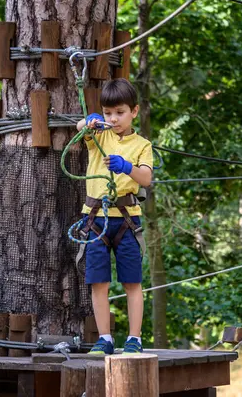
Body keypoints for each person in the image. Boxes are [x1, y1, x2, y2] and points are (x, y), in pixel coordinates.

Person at [75, 78, 153, 355]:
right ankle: (104, 338)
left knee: (132, 282)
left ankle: (134, 339)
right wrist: (91, 121)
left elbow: (145, 178)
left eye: (119, 112)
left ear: (134, 111)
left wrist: (126, 166)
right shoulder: (100, 136)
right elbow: (79, 129)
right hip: (95, 218)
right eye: (108, 113)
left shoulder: (143, 145)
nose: (113, 118)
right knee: (99, 282)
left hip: (127, 219)